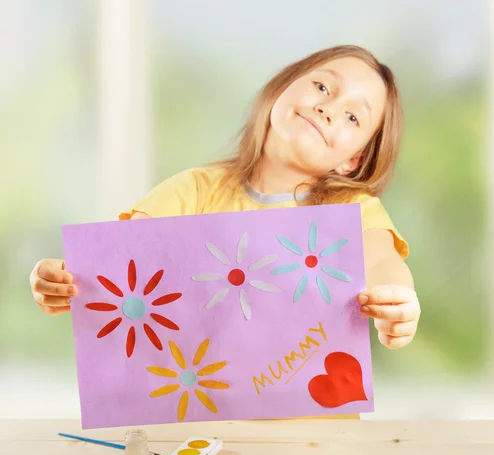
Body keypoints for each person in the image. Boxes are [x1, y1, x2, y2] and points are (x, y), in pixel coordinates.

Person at [30, 44, 421, 353]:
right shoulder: (194, 190)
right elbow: (116, 265)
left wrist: (399, 299)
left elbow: (383, 262)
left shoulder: (352, 209)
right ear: (282, 88)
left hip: (315, 437)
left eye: (354, 117)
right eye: (322, 86)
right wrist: (63, 279)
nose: (328, 108)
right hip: (193, 427)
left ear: (354, 160)